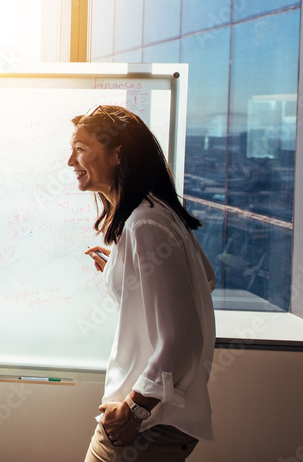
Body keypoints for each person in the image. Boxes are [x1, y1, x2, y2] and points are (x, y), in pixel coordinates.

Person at [68, 104, 216, 462]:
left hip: (148, 421)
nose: (71, 162)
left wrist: (134, 410)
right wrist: (126, 272)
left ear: (117, 154)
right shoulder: (153, 212)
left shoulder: (145, 223)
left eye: (81, 149)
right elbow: (205, 279)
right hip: (159, 418)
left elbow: (182, 338)